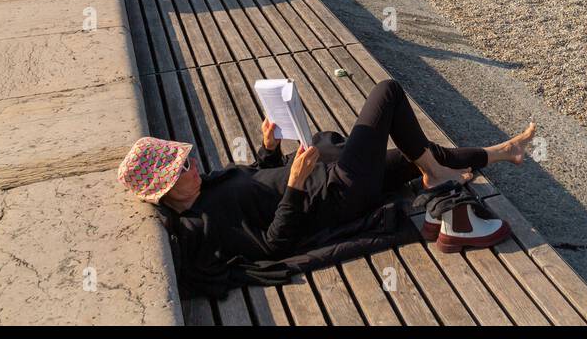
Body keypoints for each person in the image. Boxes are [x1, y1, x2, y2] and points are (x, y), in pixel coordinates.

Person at [117, 79, 535, 272]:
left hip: (325, 177)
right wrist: (296, 183)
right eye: (182, 167)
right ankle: (437, 175)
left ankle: (501, 152)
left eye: (184, 159)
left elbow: (260, 186)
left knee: (415, 150)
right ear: (167, 190)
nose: (192, 164)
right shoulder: (207, 221)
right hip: (335, 195)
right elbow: (273, 245)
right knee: (387, 94)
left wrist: (268, 149)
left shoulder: (204, 187)